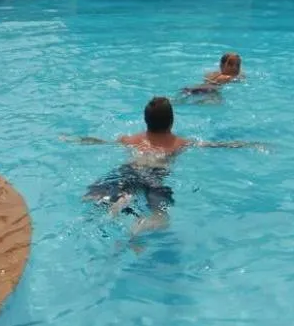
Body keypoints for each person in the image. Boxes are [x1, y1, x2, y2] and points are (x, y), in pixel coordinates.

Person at [75, 95, 265, 237]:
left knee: (94, 196)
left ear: (145, 120)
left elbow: (99, 142)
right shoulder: (180, 143)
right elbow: (215, 145)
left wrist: (75, 139)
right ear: (171, 121)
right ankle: (138, 227)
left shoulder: (131, 139)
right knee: (161, 217)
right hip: (153, 177)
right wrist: (249, 144)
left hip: (126, 171)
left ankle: (118, 202)